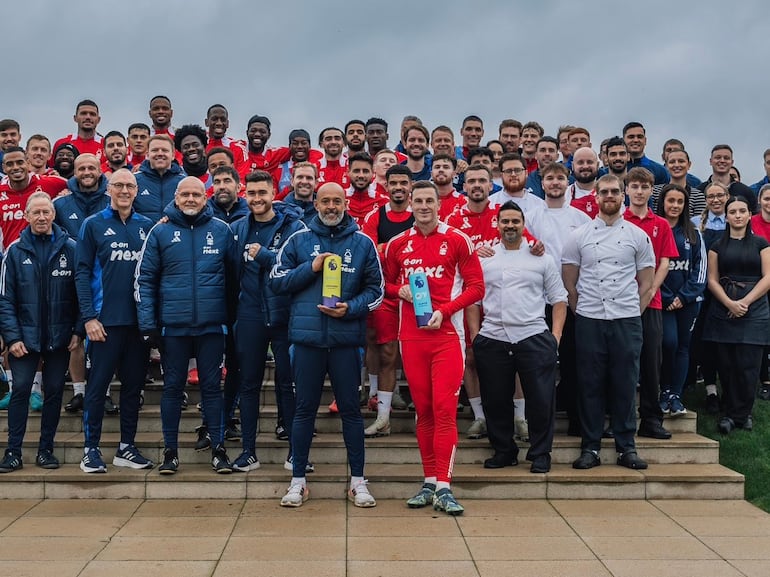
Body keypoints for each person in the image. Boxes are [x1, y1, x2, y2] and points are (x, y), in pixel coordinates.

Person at [270, 182, 383, 508]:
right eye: (325, 201)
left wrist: (351, 308)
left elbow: (376, 290)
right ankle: (298, 482)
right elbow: (276, 281)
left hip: (346, 342)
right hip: (306, 342)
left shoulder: (362, 243)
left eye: (337, 201)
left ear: (346, 203)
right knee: (304, 410)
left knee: (351, 411)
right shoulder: (299, 240)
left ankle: (358, 481)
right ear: (315, 204)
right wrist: (312, 267)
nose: (331, 206)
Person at [383, 180, 484, 515]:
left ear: (439, 204)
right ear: (410, 204)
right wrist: (400, 292)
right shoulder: (398, 244)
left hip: (445, 338)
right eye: (419, 201)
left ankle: (445, 485)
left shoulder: (457, 239)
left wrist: (446, 311)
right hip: (411, 339)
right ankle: (428, 481)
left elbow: (476, 287)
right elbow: (385, 283)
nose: (424, 206)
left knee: (443, 410)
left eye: (430, 201)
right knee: (423, 411)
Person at [135, 177, 238, 475]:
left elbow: (233, 280)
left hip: (211, 327)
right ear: (176, 198)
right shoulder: (160, 231)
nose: (191, 199)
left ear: (205, 198)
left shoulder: (221, 231)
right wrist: (148, 325)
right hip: (173, 328)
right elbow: (145, 280)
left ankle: (218, 449)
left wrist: (230, 322)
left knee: (211, 389)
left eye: (196, 194)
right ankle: (170, 452)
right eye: (185, 194)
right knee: (172, 388)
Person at [562, 173, 655, 471]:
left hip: (626, 320)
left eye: (615, 191)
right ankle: (590, 447)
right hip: (590, 320)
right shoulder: (579, 236)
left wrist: (631, 312)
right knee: (589, 384)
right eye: (604, 192)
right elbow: (570, 284)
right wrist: (583, 311)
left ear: (623, 194)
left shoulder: (638, 236)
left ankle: (626, 447)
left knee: (625, 384)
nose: (610, 196)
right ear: (596, 197)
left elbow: (646, 284)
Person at [471, 201, 567, 473]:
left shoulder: (541, 258)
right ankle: (504, 450)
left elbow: (560, 299)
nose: (510, 226)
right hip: (493, 337)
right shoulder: (485, 257)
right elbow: (474, 300)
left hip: (533, 335)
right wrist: (476, 336)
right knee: (495, 399)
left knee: (541, 399)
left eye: (515, 221)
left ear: (524, 225)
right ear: (497, 224)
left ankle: (540, 453)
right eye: (505, 221)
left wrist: (555, 336)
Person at [75, 169, 155, 473]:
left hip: (137, 325)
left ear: (136, 190)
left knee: (133, 389)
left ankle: (126, 448)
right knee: (97, 388)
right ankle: (90, 450)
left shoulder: (147, 226)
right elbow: (82, 273)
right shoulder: (92, 225)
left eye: (130, 186)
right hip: (103, 325)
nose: (124, 190)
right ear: (109, 189)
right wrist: (89, 318)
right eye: (119, 185)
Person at [0, 193, 82, 472]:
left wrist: (78, 330)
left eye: (46, 212)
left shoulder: (71, 247)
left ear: (53, 215)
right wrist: (12, 338)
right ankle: (13, 452)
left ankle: (46, 449)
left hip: (59, 338)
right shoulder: (14, 251)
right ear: (26, 216)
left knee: (55, 392)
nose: (42, 217)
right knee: (21, 390)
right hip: (24, 338)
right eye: (36, 212)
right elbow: (4, 299)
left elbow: (81, 295)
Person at [231, 170, 307, 472]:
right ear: (244, 194)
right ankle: (248, 450)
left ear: (274, 192)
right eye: (251, 194)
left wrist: (265, 256)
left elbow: (301, 266)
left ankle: (295, 452)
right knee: (248, 384)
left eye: (262, 193)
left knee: (287, 384)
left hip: (286, 313)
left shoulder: (294, 227)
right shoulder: (236, 228)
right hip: (249, 314)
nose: (257, 199)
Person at [703, 195, 770, 434]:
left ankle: (743, 414)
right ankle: (729, 414)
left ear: (749, 214)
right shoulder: (717, 246)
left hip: (755, 309)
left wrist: (745, 302)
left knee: (748, 364)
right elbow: (711, 279)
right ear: (727, 216)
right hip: (723, 308)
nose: (738, 215)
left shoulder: (761, 244)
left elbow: (768, 277)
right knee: (727, 365)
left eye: (742, 211)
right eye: (733, 212)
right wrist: (730, 303)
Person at [623, 167, 678, 440]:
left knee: (651, 362)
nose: (639, 191)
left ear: (650, 190)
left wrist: (650, 291)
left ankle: (651, 419)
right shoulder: (619, 219)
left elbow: (665, 261)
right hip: (620, 302)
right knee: (621, 362)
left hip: (652, 303)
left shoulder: (662, 224)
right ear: (627, 190)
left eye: (645, 187)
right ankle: (619, 417)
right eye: (634, 186)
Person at [362, 165, 414, 437]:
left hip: (417, 292)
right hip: (386, 291)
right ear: (386, 186)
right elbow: (372, 251)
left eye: (403, 183)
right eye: (393, 183)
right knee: (386, 352)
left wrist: (388, 249)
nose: (398, 188)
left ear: (410, 186)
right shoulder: (376, 215)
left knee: (417, 353)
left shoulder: (419, 213)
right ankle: (383, 416)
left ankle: (424, 413)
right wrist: (392, 250)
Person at [655, 184, 707, 416]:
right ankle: (664, 389)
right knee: (669, 344)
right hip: (662, 301)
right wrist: (666, 296)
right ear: (663, 203)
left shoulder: (693, 233)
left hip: (688, 302)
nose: (675, 205)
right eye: (671, 201)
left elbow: (700, 269)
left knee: (683, 347)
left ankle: (675, 395)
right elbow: (650, 267)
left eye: (679, 202)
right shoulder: (655, 229)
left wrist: (683, 297)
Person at [133, 135, 186, 223]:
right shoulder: (134, 180)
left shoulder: (184, 182)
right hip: (142, 234)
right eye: (155, 150)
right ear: (147, 154)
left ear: (173, 155)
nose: (160, 153)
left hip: (175, 235)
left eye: (165, 150)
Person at [751, 183, 770, 401]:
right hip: (758, 283)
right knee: (762, 335)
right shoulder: (752, 223)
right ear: (759, 201)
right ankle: (765, 379)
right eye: (766, 198)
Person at [697, 144, 757, 214]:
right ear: (710, 161)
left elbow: (753, 218)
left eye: (726, 158)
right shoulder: (700, 191)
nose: (722, 160)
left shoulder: (746, 192)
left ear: (732, 162)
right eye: (718, 157)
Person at [652, 149, 706, 216]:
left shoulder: (698, 196)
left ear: (689, 165)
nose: (677, 165)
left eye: (681, 161)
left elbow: (699, 223)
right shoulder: (654, 192)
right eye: (672, 162)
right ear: (666, 166)